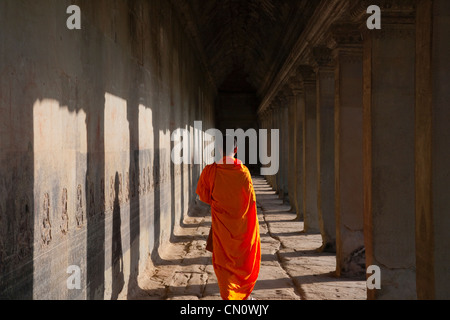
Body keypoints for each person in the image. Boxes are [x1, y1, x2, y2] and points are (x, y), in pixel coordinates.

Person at [196, 135, 261, 300]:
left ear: (218, 149)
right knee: (243, 261)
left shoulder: (210, 171)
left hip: (221, 226)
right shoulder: (244, 172)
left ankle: (228, 296)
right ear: (236, 150)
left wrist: (220, 203)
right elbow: (251, 201)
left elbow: (204, 196)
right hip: (241, 226)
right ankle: (243, 296)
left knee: (223, 263)